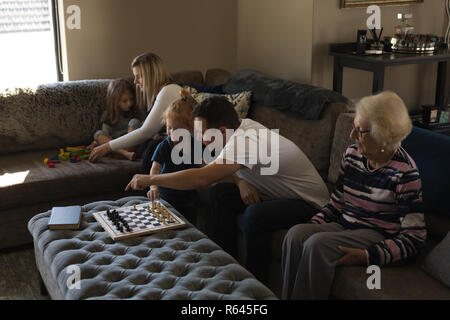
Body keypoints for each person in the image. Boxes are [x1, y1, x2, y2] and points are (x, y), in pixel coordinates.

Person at [125, 95, 330, 283]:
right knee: (220, 194)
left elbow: (202, 178)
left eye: (203, 134)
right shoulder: (237, 129)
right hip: (278, 194)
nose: (200, 139)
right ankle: (226, 263)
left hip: (310, 203)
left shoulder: (245, 140)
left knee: (254, 215)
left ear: (221, 131)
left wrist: (151, 179)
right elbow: (220, 168)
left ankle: (254, 282)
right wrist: (241, 182)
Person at [281, 91, 427, 300]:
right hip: (346, 224)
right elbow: (337, 203)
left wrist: (370, 255)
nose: (352, 136)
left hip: (378, 234)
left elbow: (415, 238)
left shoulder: (405, 173)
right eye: (354, 128)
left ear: (383, 136)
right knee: (295, 235)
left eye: (360, 131)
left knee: (317, 245)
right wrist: (313, 226)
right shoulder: (352, 155)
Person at [89, 53, 181, 168]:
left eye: (139, 76)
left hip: (190, 148)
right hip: (180, 145)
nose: (135, 81)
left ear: (151, 75)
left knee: (154, 148)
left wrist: (107, 146)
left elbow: (145, 132)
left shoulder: (167, 91)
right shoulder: (165, 91)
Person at [147, 89, 201, 225]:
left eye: (176, 129)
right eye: (168, 127)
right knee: (167, 225)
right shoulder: (165, 145)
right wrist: (153, 187)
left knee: (190, 225)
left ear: (190, 128)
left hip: (189, 196)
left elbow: (205, 167)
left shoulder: (197, 145)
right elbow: (155, 169)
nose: (171, 133)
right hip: (166, 195)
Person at [87, 79, 142, 160]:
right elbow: (105, 135)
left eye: (131, 99)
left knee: (135, 122)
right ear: (115, 101)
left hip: (132, 145)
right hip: (115, 146)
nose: (129, 103)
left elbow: (145, 128)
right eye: (124, 101)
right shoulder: (108, 115)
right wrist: (94, 143)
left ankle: (126, 153)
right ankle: (125, 154)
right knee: (98, 134)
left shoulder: (135, 111)